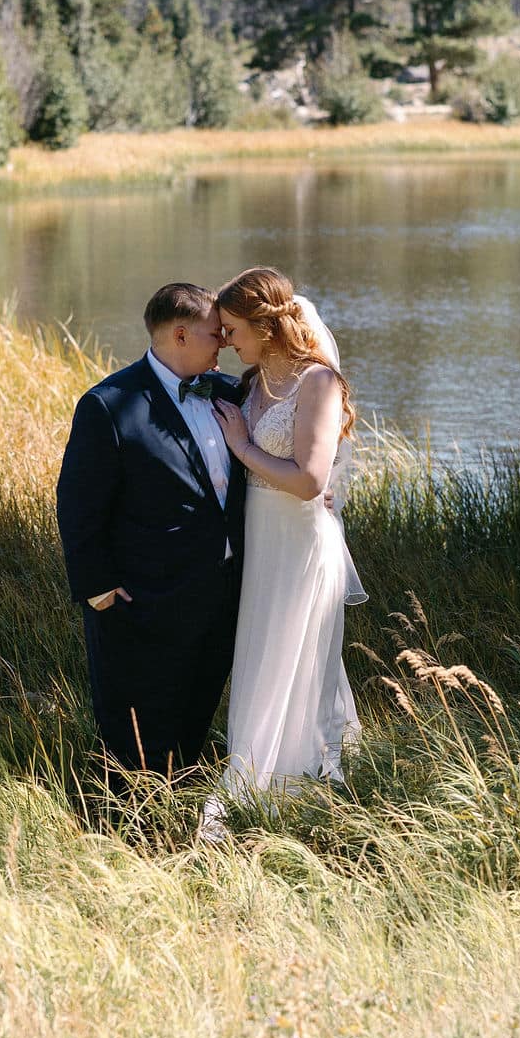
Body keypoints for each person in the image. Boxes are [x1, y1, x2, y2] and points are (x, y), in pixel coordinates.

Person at [55, 284, 246, 779]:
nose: (223, 342)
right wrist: (96, 588)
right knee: (136, 736)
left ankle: (175, 825)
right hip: (143, 604)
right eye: (214, 335)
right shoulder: (109, 405)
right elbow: (78, 504)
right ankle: (125, 836)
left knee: (193, 725)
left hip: (221, 597)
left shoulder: (229, 393)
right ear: (180, 335)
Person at [209, 268, 364, 802]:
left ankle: (294, 787)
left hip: (299, 545)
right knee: (259, 662)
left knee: (289, 662)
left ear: (264, 326)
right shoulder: (251, 383)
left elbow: (310, 480)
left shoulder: (316, 382)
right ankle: (255, 781)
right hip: (261, 544)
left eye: (232, 330)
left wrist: (243, 447)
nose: (225, 342)